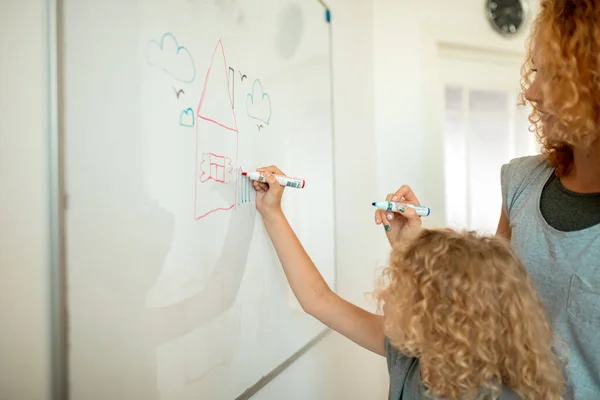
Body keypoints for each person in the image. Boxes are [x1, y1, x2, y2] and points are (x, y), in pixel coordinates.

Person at [380, 1, 600, 398]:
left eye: (552, 75)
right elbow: (486, 315)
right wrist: (414, 248)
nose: (529, 92)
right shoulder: (521, 182)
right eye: (534, 70)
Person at [252, 166, 564, 400]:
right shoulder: (415, 353)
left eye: (400, 287)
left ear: (441, 312)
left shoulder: (495, 393)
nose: (385, 296)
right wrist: (272, 213)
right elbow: (318, 299)